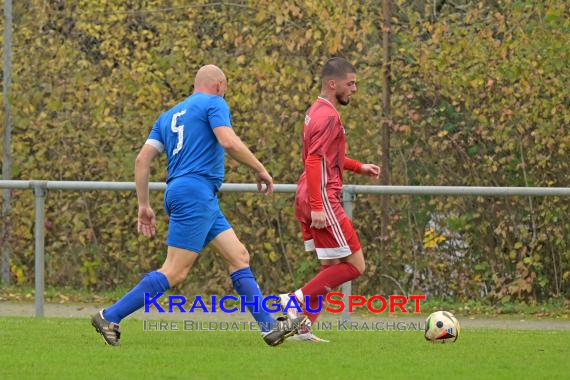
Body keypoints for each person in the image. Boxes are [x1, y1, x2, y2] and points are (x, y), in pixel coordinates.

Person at [91, 64, 305, 347]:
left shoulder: (167, 117)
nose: (225, 93)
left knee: (238, 256)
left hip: (189, 193)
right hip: (196, 192)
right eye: (225, 88)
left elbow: (142, 160)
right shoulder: (214, 102)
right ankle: (110, 315)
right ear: (218, 85)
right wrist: (259, 168)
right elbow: (227, 141)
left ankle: (269, 328)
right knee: (175, 271)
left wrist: (143, 204)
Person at [280, 57, 380, 342]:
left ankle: (303, 327)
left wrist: (359, 167)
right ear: (332, 83)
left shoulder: (315, 111)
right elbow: (314, 160)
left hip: (309, 193)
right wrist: (318, 206)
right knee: (355, 265)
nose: (354, 89)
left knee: (329, 268)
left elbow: (327, 157)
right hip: (321, 196)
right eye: (351, 83)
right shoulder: (328, 116)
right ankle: (295, 300)